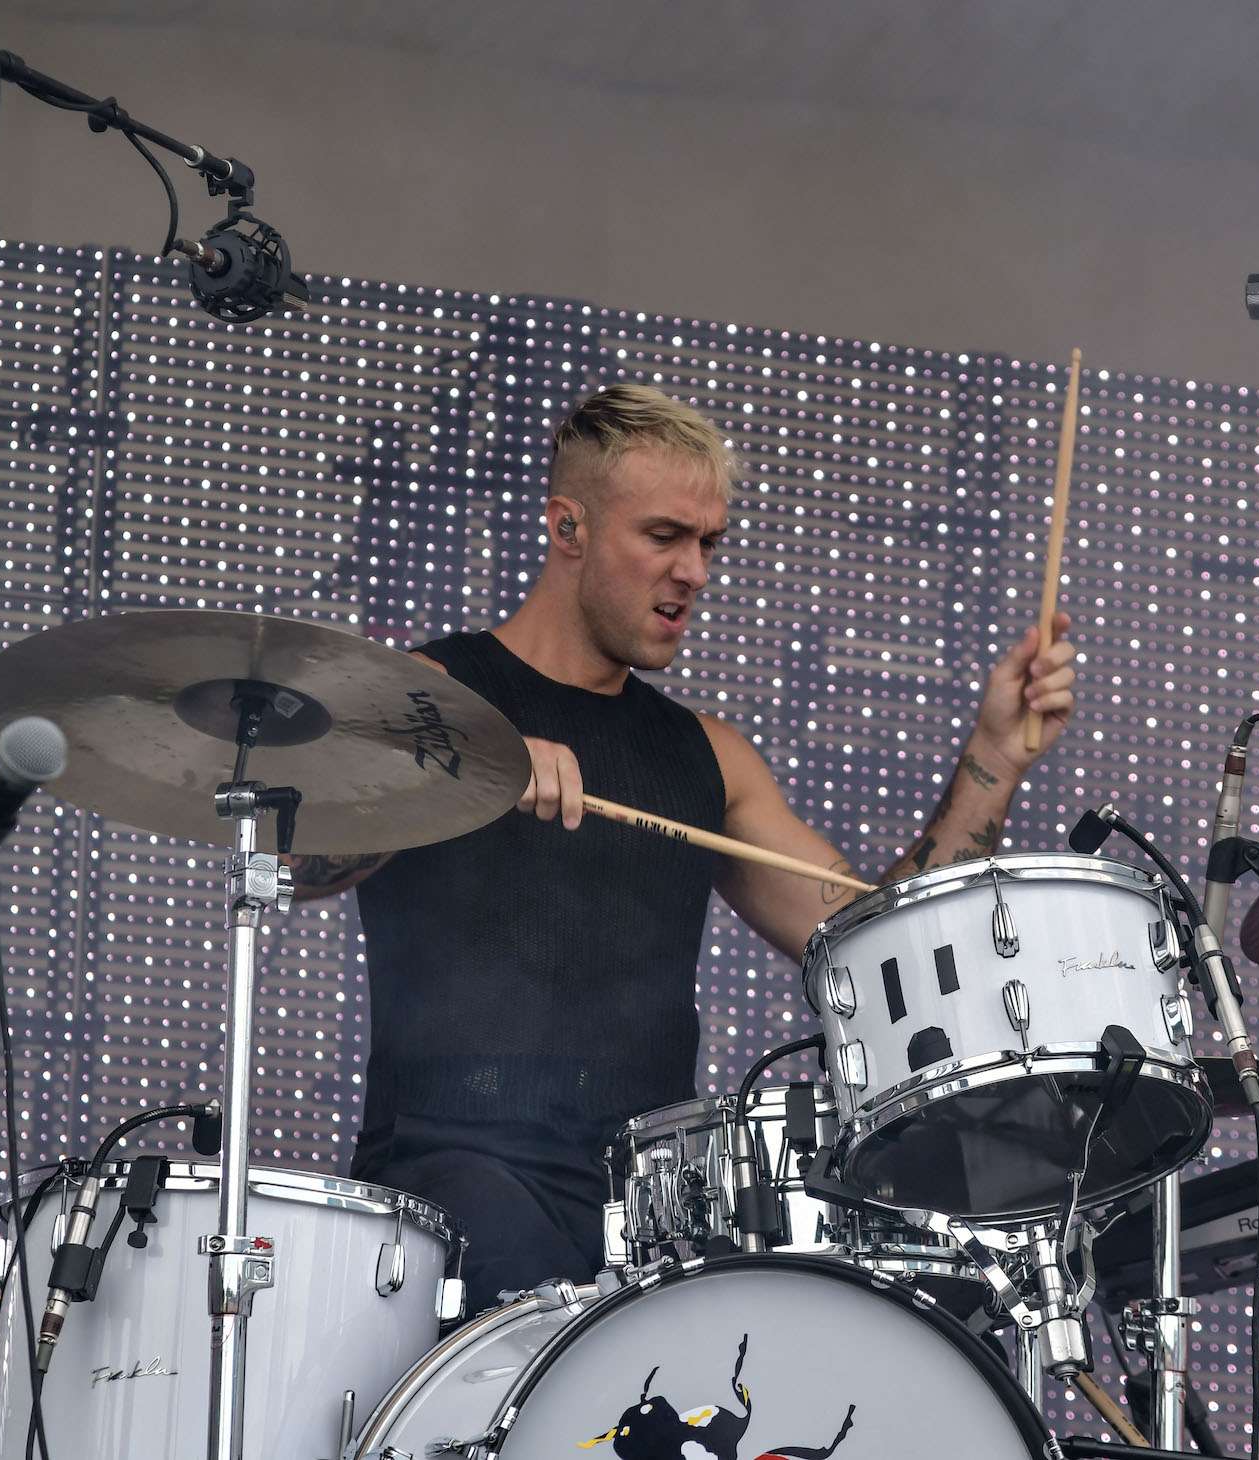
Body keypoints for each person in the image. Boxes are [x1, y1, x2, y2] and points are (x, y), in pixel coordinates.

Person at [288, 383, 1076, 1313]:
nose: (694, 572)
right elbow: (300, 860)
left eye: (709, 544)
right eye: (664, 536)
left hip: (649, 1221)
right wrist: (460, 761)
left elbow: (879, 952)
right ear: (568, 527)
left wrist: (993, 759)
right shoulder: (431, 695)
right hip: (451, 1188)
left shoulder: (710, 757)